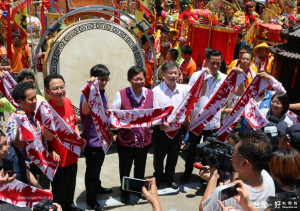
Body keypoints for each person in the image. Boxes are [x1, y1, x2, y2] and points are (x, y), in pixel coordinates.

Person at [180, 50, 244, 182]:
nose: (215, 66)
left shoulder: (224, 78)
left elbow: (239, 93)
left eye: (218, 64)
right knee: (192, 149)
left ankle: (205, 176)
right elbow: (193, 96)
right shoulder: (197, 75)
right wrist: (205, 79)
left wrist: (240, 78)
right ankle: (187, 173)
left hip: (213, 122)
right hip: (197, 121)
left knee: (209, 151)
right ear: (206, 62)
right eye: (212, 63)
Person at [110, 66, 155, 204]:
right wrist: (113, 130)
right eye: (136, 79)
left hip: (144, 140)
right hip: (126, 140)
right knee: (125, 167)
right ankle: (124, 191)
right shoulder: (121, 94)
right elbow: (113, 114)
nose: (139, 82)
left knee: (140, 167)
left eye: (141, 78)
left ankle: (137, 189)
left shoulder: (150, 94)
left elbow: (155, 113)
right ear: (129, 79)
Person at [200, 130, 275, 211]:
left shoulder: (227, 193)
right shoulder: (267, 177)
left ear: (244, 163)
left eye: (234, 152)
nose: (231, 155)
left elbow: (203, 209)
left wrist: (213, 177)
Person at [44, 74, 85, 211]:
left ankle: (69, 205)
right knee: (59, 189)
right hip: (58, 157)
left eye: (62, 87)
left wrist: (78, 139)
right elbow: (47, 138)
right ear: (47, 91)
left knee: (71, 183)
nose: (60, 91)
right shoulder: (47, 109)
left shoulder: (67, 101)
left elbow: (73, 123)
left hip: (72, 153)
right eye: (55, 88)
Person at [7, 82, 58, 188]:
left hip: (43, 165)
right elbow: (18, 145)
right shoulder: (14, 119)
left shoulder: (37, 115)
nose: (35, 101)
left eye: (35, 98)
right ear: (20, 101)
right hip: (28, 170)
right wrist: (21, 125)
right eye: (31, 99)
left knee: (45, 194)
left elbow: (47, 138)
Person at [152, 61, 190, 189]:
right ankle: (157, 177)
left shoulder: (184, 89)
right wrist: (161, 123)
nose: (174, 75)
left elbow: (197, 93)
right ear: (163, 74)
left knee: (173, 156)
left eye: (175, 72)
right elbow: (154, 110)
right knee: (159, 156)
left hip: (177, 129)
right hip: (161, 130)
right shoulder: (156, 91)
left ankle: (169, 177)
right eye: (170, 73)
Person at [80, 65, 113, 211]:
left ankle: (97, 187)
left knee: (98, 167)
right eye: (101, 79)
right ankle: (91, 199)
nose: (104, 82)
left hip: (103, 139)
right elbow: (85, 110)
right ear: (94, 78)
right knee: (91, 172)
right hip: (92, 140)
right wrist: (90, 88)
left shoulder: (103, 92)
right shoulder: (87, 93)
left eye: (106, 79)